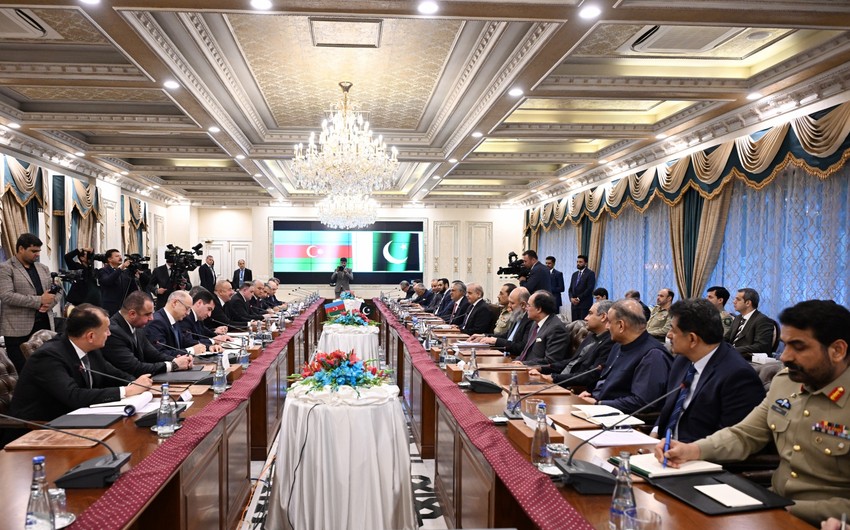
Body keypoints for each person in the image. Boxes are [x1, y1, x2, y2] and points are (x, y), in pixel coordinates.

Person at [657, 300, 850, 526]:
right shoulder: (786, 383)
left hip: (825, 520)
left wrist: (786, 508)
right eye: (785, 345)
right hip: (771, 506)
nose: (785, 357)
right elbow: (744, 434)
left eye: (798, 347)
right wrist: (693, 450)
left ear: (837, 350)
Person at [5, 304, 152, 428]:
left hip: (76, 419)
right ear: (90, 336)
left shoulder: (89, 348)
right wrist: (127, 391)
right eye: (106, 329)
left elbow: (111, 373)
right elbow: (74, 396)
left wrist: (137, 383)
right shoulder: (48, 357)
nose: (109, 334)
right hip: (39, 429)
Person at [653, 298, 765, 443]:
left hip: (697, 453)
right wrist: (654, 433)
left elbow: (732, 441)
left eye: (673, 330)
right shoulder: (682, 360)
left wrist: (685, 450)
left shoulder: (738, 376)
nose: (668, 335)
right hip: (663, 446)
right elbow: (670, 407)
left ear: (692, 339)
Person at [578, 299, 672, 414]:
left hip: (622, 419)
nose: (607, 327)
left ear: (621, 325)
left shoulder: (653, 355)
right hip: (599, 409)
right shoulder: (618, 346)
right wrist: (592, 395)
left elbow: (642, 402)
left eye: (609, 322)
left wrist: (600, 404)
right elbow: (608, 383)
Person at [0, 233, 56, 372]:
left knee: (46, 369)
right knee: (24, 371)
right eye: (33, 251)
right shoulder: (6, 268)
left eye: (39, 251)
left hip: (44, 326)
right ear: (21, 249)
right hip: (18, 330)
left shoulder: (43, 268)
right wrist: (39, 300)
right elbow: (6, 296)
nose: (37, 254)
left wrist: (49, 303)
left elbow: (56, 291)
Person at [103, 291, 193, 377]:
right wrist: (173, 365)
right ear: (132, 314)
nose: (151, 318)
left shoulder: (137, 326)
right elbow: (135, 367)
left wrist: (177, 360)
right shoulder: (113, 332)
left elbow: (153, 354)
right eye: (148, 314)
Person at [529, 299, 614, 390]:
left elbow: (590, 375)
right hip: (559, 382)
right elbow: (572, 362)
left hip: (572, 388)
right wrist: (541, 368)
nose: (586, 318)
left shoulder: (609, 342)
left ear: (603, 317)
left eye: (590, 313)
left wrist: (554, 378)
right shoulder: (591, 336)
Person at [511, 290, 569, 366]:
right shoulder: (535, 323)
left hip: (535, 371)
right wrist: (516, 362)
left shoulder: (556, 329)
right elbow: (525, 352)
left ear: (538, 309)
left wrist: (523, 364)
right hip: (523, 367)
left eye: (528, 305)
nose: (526, 308)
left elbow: (551, 361)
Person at [471, 287, 533, 358]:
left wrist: (496, 341)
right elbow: (506, 336)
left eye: (512, 303)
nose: (509, 305)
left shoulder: (530, 320)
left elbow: (521, 347)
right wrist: (485, 336)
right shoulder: (517, 315)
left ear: (523, 305)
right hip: (505, 355)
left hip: (515, 359)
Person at [145, 290, 207, 357]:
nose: (188, 313)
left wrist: (206, 347)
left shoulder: (175, 320)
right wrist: (191, 350)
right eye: (187, 308)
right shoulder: (157, 322)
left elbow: (184, 342)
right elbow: (160, 353)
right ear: (175, 303)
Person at [725, 287, 777, 360]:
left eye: (738, 299)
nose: (734, 302)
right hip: (731, 357)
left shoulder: (763, 320)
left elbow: (761, 346)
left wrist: (732, 350)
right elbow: (726, 338)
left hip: (747, 360)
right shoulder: (738, 318)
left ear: (748, 303)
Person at [98, 249, 139, 316]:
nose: (120, 258)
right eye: (117, 256)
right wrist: (121, 268)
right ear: (109, 259)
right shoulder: (103, 271)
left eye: (120, 256)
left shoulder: (123, 273)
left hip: (122, 307)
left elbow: (131, 289)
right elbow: (108, 281)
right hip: (109, 308)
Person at [567, 254, 596, 322]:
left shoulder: (590, 273)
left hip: (584, 304)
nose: (578, 263)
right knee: (574, 324)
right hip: (574, 305)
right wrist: (571, 298)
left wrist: (578, 298)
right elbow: (570, 289)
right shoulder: (574, 274)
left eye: (580, 262)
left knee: (583, 324)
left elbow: (589, 289)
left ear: (585, 263)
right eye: (577, 262)